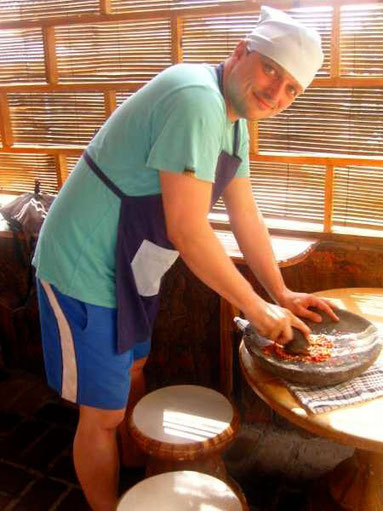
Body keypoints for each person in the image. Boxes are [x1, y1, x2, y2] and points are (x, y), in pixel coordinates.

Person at [32, 6, 338, 510]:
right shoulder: (196, 98)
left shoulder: (233, 116)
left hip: (131, 264)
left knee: (135, 371)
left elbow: (245, 213)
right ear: (241, 52)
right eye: (271, 71)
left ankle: (133, 472)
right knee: (101, 414)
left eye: (291, 89)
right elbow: (189, 229)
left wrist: (280, 291)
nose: (276, 92)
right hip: (84, 264)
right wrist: (258, 310)